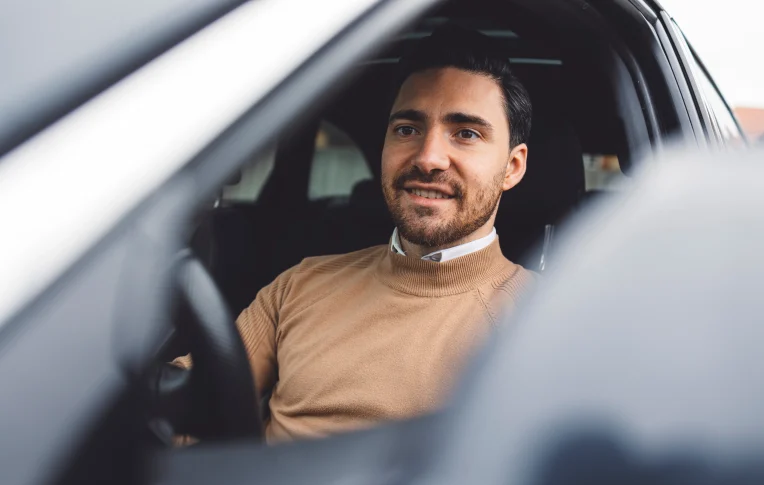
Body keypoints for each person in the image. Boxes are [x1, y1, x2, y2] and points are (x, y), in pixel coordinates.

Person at [184, 24, 537, 443]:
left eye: (466, 133)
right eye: (407, 129)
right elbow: (188, 400)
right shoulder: (302, 284)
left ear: (512, 167)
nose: (428, 158)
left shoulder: (543, 319)